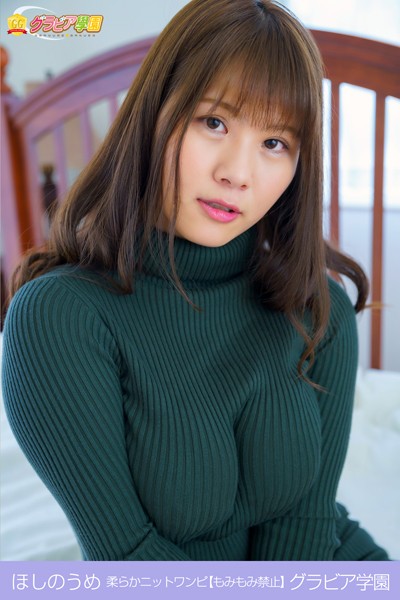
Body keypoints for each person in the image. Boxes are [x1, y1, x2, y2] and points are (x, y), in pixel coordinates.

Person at [2, 0, 389, 561]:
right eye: (214, 122)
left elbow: (305, 525)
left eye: (275, 143)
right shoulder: (61, 317)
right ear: (153, 116)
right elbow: (129, 560)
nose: (237, 173)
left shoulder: (315, 305)